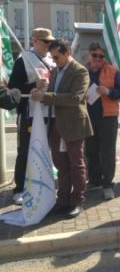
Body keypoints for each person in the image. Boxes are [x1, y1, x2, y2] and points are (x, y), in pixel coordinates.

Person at [31, 39, 93, 218]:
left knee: (76, 164)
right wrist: (41, 89)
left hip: (74, 124)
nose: (54, 60)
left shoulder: (80, 71)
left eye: (57, 56)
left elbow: (75, 98)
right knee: (60, 164)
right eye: (52, 57)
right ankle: (63, 200)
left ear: (68, 53)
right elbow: (52, 93)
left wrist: (45, 96)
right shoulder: (55, 71)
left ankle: (78, 201)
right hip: (57, 124)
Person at [8, 28, 55, 205]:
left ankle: (40, 183)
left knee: (45, 150)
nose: (49, 46)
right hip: (30, 113)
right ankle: (19, 188)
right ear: (35, 41)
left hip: (49, 112)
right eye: (46, 42)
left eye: (50, 42)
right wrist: (32, 85)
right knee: (25, 151)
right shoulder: (23, 60)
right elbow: (13, 88)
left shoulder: (51, 59)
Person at [85, 42, 120, 200]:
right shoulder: (83, 71)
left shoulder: (112, 70)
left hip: (108, 118)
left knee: (108, 152)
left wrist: (108, 91)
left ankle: (108, 184)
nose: (97, 58)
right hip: (88, 117)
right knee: (91, 150)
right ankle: (94, 180)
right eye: (94, 55)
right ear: (89, 55)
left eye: (101, 56)